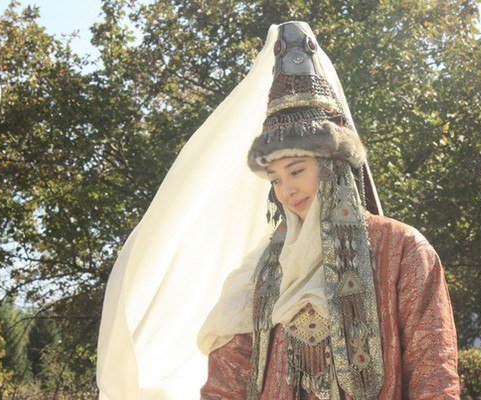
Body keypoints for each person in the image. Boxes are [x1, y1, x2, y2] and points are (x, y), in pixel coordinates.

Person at [197, 21, 460, 400]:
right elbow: (227, 381)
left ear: (332, 165)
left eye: (296, 171)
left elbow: (433, 370)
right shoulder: (262, 269)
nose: (287, 190)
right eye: (275, 179)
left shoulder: (401, 248)